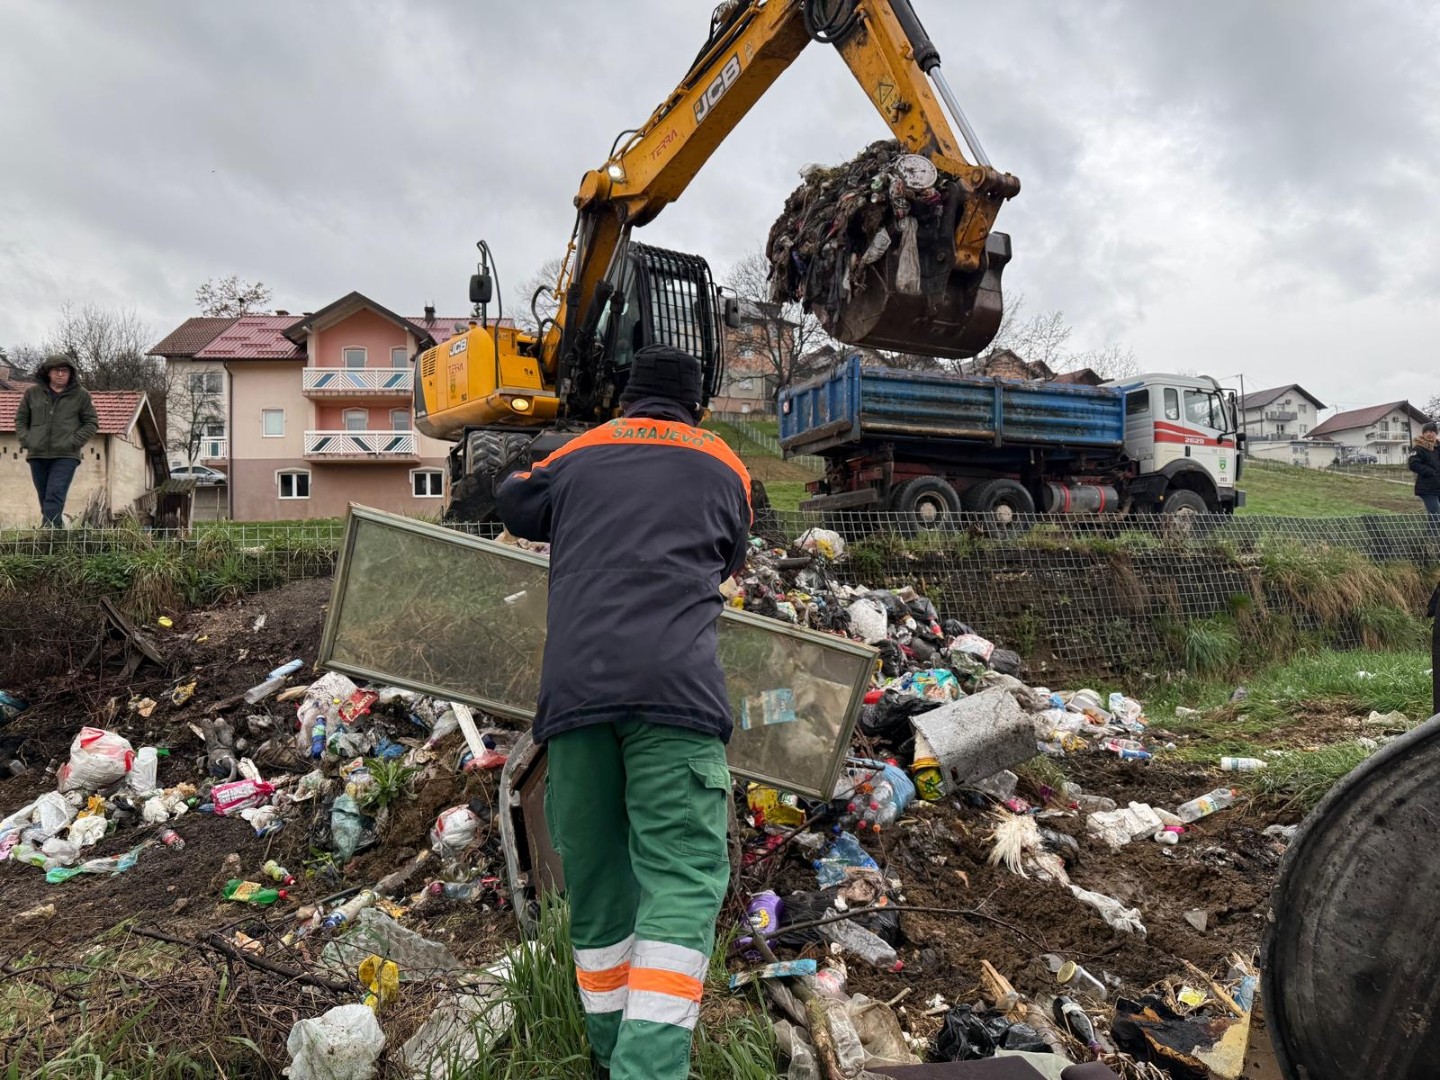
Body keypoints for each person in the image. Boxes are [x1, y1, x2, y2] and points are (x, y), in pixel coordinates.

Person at [497, 344, 751, 1080]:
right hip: (678, 698)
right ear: (698, 405)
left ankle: (613, 1059)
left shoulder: (580, 452)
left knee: (599, 888)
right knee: (680, 878)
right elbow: (730, 558)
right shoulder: (724, 465)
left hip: (576, 700)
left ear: (625, 397)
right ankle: (648, 1070)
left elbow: (513, 498)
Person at [14, 356, 98, 528]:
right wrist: (27, 440)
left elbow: (91, 422)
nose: (60, 374)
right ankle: (56, 532)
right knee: (44, 497)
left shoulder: (81, 395)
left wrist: (74, 441)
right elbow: (21, 419)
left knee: (55, 493)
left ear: (71, 373)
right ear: (48, 372)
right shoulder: (32, 393)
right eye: (56, 370)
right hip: (37, 453)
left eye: (65, 370)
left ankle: (48, 532)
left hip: (66, 455)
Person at [1408, 422, 1440, 519]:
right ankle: (1432, 529)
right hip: (1427, 488)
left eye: (1431, 431)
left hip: (1438, 485)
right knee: (1435, 512)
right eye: (1426, 432)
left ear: (1436, 433)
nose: (1428, 434)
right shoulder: (1419, 448)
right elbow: (1413, 464)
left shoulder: (1438, 448)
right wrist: (1430, 472)